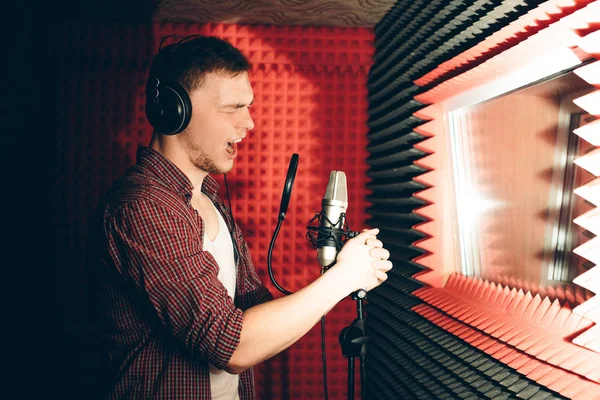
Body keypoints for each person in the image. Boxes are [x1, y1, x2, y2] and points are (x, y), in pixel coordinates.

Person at [87, 35, 392, 400]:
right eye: (232, 108)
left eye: (247, 106)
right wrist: (343, 279)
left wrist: (335, 270)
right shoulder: (143, 207)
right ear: (173, 110)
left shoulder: (211, 201)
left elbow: (252, 314)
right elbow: (231, 347)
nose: (248, 123)